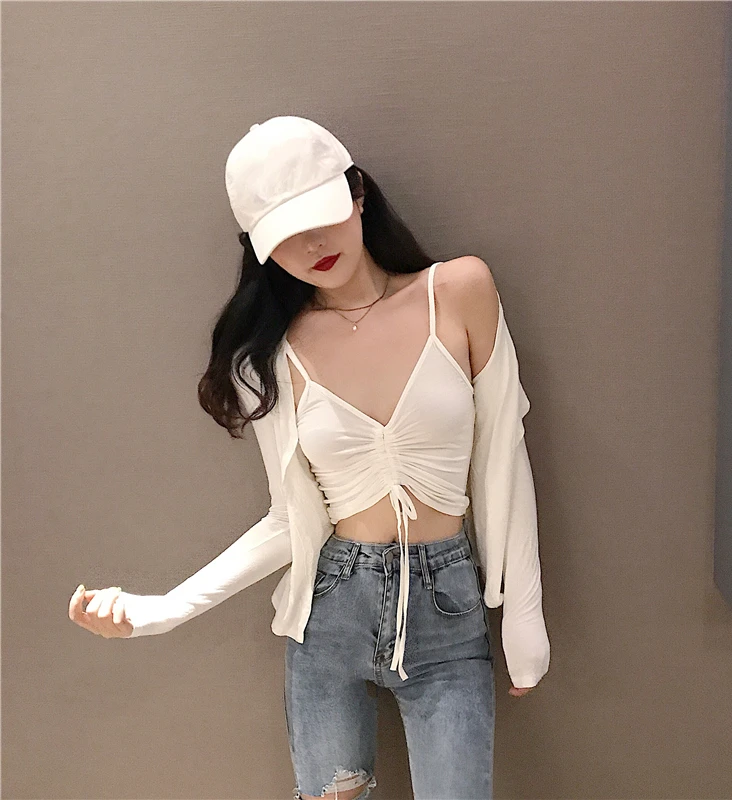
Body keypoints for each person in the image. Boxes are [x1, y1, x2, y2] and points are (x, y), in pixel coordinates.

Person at [68, 115, 550, 800]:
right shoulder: (272, 357)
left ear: (358, 193)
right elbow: (288, 521)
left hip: (448, 612)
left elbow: (505, 454)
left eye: (320, 216)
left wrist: (522, 612)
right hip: (330, 615)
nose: (311, 246)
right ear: (261, 249)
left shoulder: (458, 290)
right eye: (284, 236)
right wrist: (162, 611)